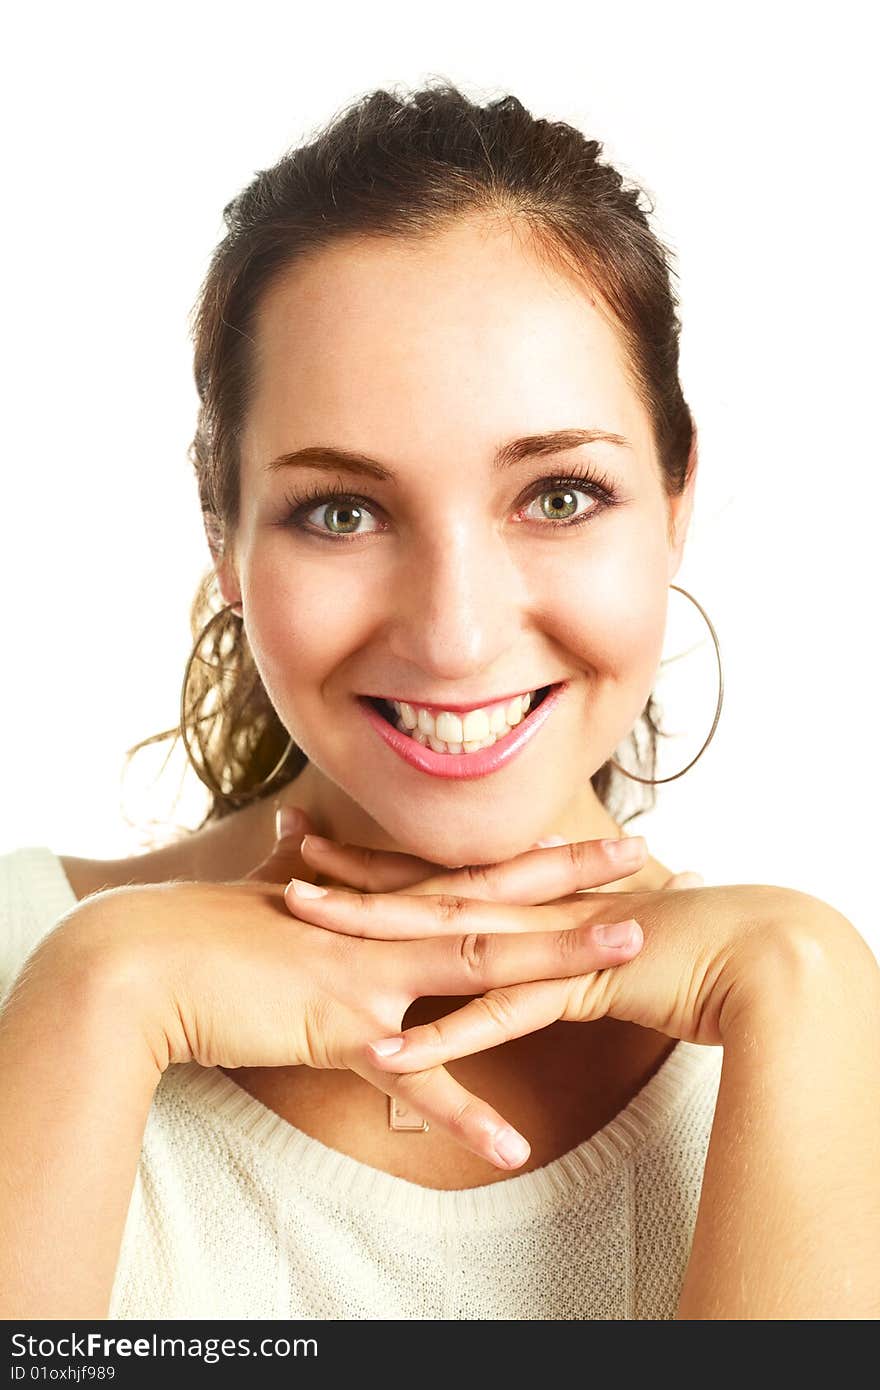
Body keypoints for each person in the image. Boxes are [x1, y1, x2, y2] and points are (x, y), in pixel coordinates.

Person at [1, 83, 876, 1323]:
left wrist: (808, 986)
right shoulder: (30, 958)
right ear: (226, 542)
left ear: (676, 500)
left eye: (559, 495)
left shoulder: (823, 1035)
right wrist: (100, 992)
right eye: (341, 511)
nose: (456, 636)